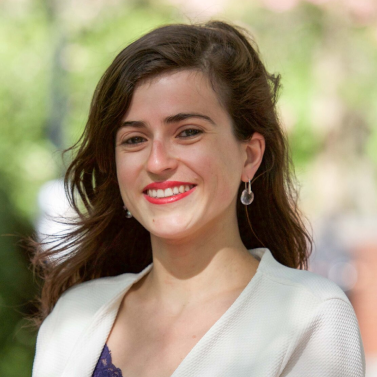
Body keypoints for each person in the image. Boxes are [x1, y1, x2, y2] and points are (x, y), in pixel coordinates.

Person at [31, 21, 365, 377]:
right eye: (134, 139)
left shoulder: (311, 316)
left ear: (249, 156)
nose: (157, 162)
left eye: (188, 133)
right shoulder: (72, 318)